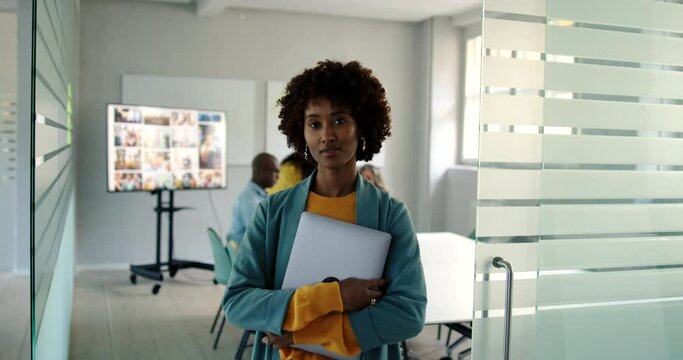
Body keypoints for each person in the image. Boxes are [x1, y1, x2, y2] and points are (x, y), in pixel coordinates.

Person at [224, 60, 426, 360]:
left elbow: (409, 313)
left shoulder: (391, 214)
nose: (327, 135)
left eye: (340, 121)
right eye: (314, 123)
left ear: (362, 126)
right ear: (301, 132)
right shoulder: (272, 212)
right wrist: (333, 296)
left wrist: (300, 334)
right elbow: (238, 303)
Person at [226, 153, 280, 243]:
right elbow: (257, 235)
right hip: (244, 251)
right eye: (276, 171)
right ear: (262, 170)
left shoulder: (258, 195)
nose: (278, 177)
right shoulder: (249, 200)